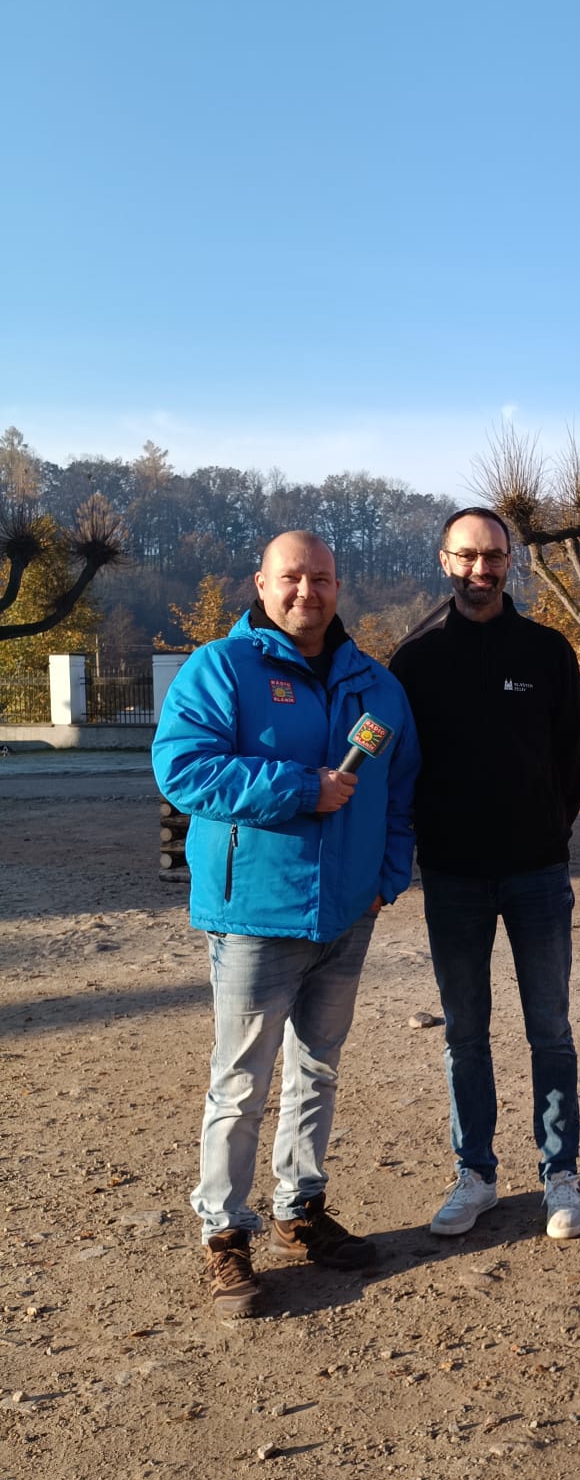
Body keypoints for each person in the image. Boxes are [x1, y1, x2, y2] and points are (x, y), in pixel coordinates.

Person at [153, 531, 419, 1318]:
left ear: (339, 587)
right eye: (292, 578)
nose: (308, 592)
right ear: (262, 584)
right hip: (255, 916)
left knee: (317, 1071)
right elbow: (183, 767)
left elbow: (400, 792)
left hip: (348, 913)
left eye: (322, 578)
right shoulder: (220, 668)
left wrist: (386, 879)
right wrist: (304, 788)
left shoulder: (377, 686)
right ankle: (224, 1232)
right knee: (240, 1081)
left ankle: (299, 1208)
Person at [389, 507, 580, 1240]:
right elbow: (398, 767)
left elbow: (572, 760)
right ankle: (474, 1174)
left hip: (537, 873)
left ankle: (560, 1176)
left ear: (511, 561)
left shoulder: (546, 651)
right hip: (453, 878)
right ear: (445, 561)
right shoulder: (414, 660)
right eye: (468, 556)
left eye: (494, 556)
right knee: (465, 1034)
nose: (482, 569)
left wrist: (548, 832)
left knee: (551, 1031)